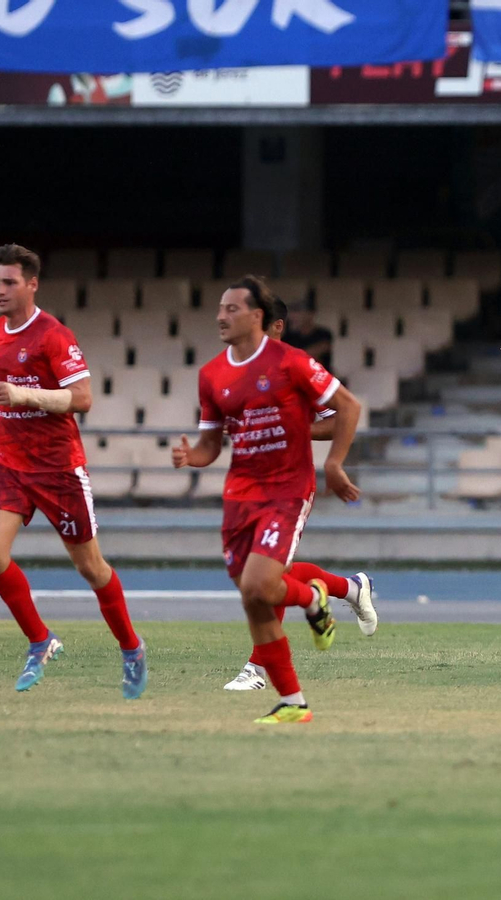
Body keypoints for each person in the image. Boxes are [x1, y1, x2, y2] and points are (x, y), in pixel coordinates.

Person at [173, 276, 365, 724]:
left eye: (231, 309)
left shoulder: (291, 362)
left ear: (257, 317)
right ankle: (294, 701)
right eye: (219, 309)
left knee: (260, 585)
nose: (221, 316)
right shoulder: (212, 375)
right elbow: (210, 444)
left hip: (287, 489)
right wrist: (192, 457)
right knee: (254, 597)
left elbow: (349, 407)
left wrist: (334, 463)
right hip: (241, 495)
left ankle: (314, 602)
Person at [0, 243, 146, 698]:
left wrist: (24, 397)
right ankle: (40, 639)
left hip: (58, 469)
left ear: (32, 284)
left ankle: (131, 647)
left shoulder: (53, 335)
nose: (0, 290)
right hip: (9, 464)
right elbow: (3, 390)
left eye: (9, 282)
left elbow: (83, 399)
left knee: (91, 569)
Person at [222, 297, 377, 693]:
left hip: (289, 486)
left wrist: (291, 428)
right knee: (271, 578)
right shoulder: (234, 367)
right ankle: (350, 588)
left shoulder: (298, 368)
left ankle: (258, 669)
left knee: (264, 581)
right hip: (251, 487)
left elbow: (342, 415)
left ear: (276, 327)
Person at [281, 299, 333, 371]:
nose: (293, 317)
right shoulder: (289, 337)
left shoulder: (323, 334)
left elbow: (317, 351)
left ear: (310, 315)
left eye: (298, 312)